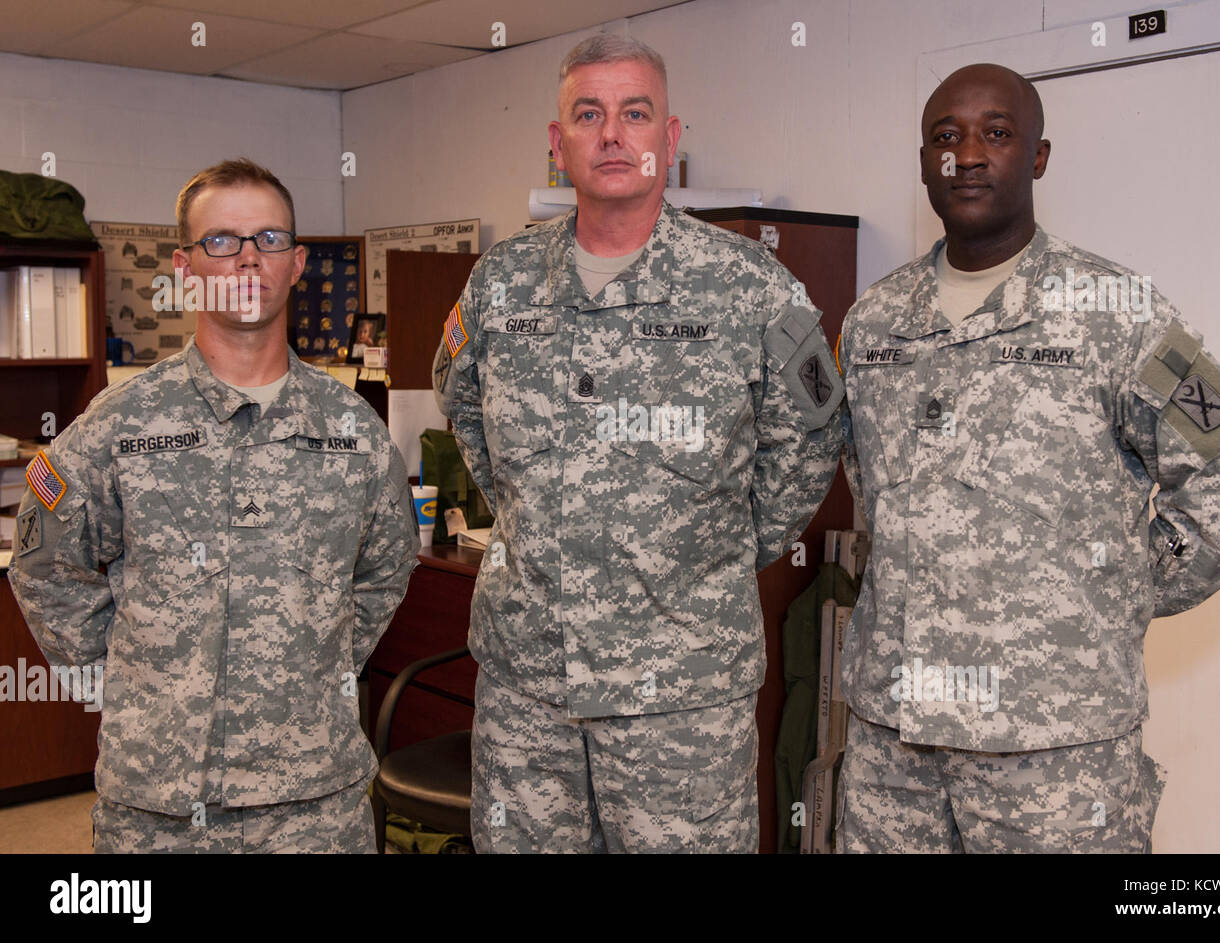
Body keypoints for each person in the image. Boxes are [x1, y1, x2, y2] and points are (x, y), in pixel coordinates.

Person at [835, 63, 1220, 853]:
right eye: (945, 137)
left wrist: (1109, 593)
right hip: (893, 747)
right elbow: (874, 486)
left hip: (1056, 751)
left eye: (996, 133)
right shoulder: (873, 324)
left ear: (1037, 156)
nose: (967, 155)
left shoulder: (1119, 312)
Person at [433, 34, 843, 852]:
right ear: (558, 144)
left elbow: (813, 434)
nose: (612, 134)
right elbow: (464, 405)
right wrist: (533, 515)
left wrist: (716, 550)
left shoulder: (752, 285)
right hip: (529, 692)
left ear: (670, 136)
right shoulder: (501, 282)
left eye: (635, 113)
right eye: (588, 115)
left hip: (682, 698)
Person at [10, 158, 420, 853]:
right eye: (222, 241)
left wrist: (310, 662)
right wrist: (139, 678)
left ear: (297, 262)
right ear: (185, 266)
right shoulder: (121, 423)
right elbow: (46, 563)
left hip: (314, 801)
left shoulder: (353, 432)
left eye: (268, 238)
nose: (247, 259)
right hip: (160, 805)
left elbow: (385, 567)